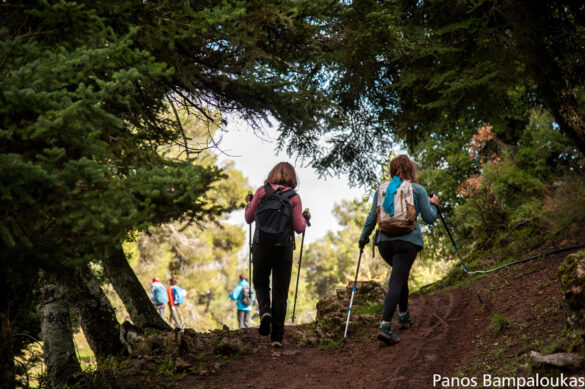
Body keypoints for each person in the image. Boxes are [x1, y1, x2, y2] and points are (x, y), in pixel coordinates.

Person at [359, 154, 439, 345]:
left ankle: (403, 315)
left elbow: (372, 218)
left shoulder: (382, 189)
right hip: (407, 242)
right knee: (397, 279)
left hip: (385, 243)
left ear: (392, 170)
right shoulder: (417, 189)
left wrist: (363, 238)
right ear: (411, 169)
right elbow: (429, 218)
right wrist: (434, 205)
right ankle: (385, 325)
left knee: (399, 275)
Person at [245, 162, 310, 348]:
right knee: (280, 293)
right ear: (292, 177)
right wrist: (305, 219)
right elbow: (299, 228)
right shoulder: (294, 197)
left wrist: (249, 203)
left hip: (261, 245)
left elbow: (249, 218)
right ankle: (277, 338)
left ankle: (265, 311)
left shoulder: (261, 192)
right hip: (283, 248)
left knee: (260, 282)